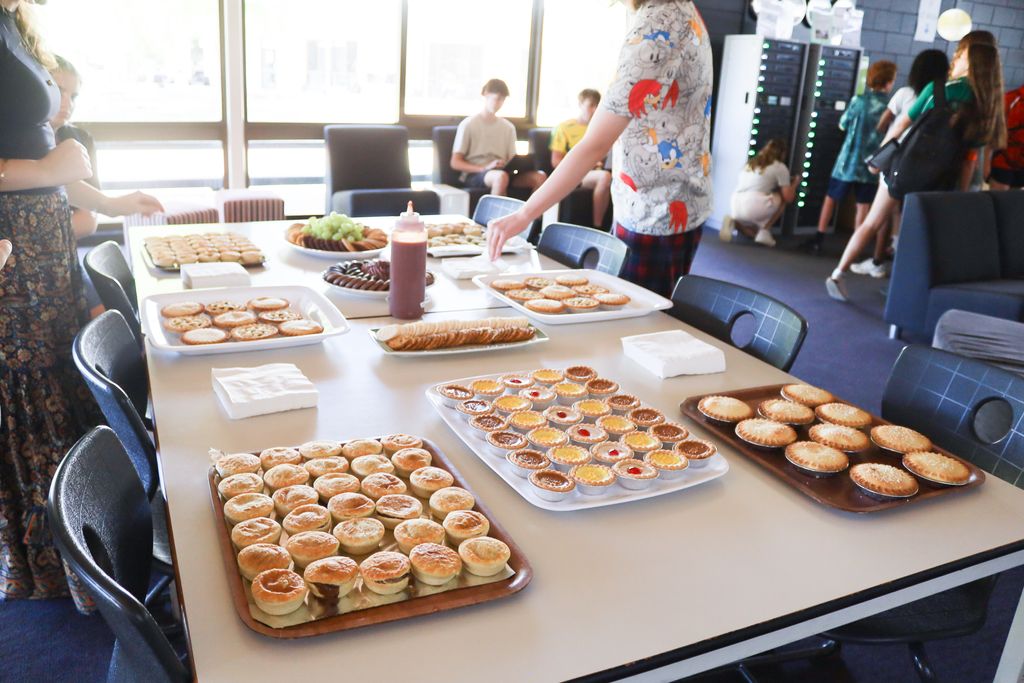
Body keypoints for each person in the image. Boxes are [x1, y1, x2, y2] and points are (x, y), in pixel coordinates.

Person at [0, 0, 158, 612]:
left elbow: (39, 151)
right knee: (32, 395)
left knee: (60, 388)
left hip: (41, 242)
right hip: (15, 251)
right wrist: (47, 167)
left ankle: (95, 558)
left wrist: (111, 202)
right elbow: (41, 161)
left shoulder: (14, 23)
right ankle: (58, 568)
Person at [488, 0, 712, 299]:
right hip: (673, 196)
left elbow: (594, 144)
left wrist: (524, 214)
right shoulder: (680, 9)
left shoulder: (659, 22)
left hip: (655, 207)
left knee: (634, 316)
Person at [825, 31, 1007, 302]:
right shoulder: (987, 106)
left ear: (968, 59)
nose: (955, 59)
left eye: (959, 54)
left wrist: (878, 159)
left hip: (904, 168)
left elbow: (900, 125)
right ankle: (905, 290)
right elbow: (970, 157)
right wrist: (958, 192)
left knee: (872, 222)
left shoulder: (938, 89)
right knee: (920, 235)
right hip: (940, 179)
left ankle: (838, 274)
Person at [854, 50, 949, 271]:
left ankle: (869, 261)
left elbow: (887, 123)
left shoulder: (905, 93)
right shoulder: (944, 98)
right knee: (907, 215)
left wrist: (881, 149)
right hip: (925, 165)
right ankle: (894, 259)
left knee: (880, 214)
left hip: (897, 160)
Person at [49, 55, 163, 238]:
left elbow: (89, 218)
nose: (68, 103)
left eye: (73, 96)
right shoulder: (17, 143)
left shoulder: (80, 139)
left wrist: (111, 205)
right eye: (59, 91)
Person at [804, 60, 896, 266]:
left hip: (848, 161)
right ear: (888, 81)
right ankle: (855, 247)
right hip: (871, 163)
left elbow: (843, 124)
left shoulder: (859, 100)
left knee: (831, 198)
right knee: (862, 205)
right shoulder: (889, 107)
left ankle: (819, 239)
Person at [450, 79, 545, 197]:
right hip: (477, 174)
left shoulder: (508, 127)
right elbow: (455, 162)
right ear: (485, 94)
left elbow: (511, 157)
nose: (499, 103)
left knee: (540, 177)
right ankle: (497, 210)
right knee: (500, 177)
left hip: (503, 171)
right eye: (497, 98)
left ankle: (530, 210)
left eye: (502, 100)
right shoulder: (468, 124)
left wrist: (518, 164)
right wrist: (485, 167)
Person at [549, 88, 612, 228]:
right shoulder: (564, 128)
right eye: (591, 105)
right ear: (580, 105)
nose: (594, 110)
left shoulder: (600, 129)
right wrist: (582, 165)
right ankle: (598, 227)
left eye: (597, 106)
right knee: (605, 177)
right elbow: (556, 161)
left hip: (596, 171)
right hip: (576, 173)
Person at [722, 138, 799, 247]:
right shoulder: (780, 167)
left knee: (752, 234)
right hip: (754, 205)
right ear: (782, 154)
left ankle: (734, 222)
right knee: (782, 198)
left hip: (736, 203)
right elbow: (788, 197)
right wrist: (795, 183)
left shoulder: (751, 163)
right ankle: (764, 230)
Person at [988, 82, 1024, 190]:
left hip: (1019, 162)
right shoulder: (1011, 99)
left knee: (1014, 197)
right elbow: (994, 133)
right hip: (1003, 160)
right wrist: (986, 164)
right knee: (999, 195)